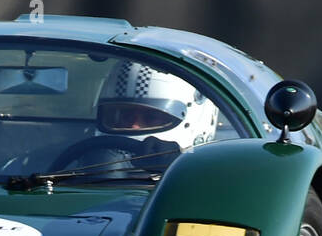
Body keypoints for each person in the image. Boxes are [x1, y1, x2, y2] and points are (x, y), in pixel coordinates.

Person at [75, 62, 220, 173]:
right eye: (125, 116)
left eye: (152, 117)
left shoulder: (211, 181)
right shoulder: (68, 173)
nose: (134, 125)